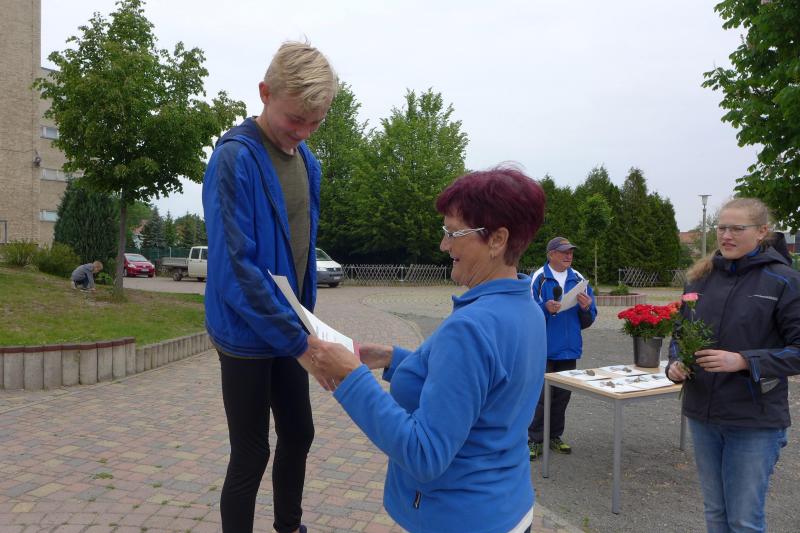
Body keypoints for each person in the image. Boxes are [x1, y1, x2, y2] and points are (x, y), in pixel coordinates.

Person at [308, 167, 548, 533]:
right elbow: (486, 389)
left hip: (458, 518)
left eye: (453, 233)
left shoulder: (471, 327)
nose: (443, 245)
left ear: (498, 240)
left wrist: (351, 378)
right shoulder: (526, 308)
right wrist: (391, 358)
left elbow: (425, 454)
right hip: (507, 507)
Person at [201, 41, 337, 533]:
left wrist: (306, 327)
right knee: (251, 451)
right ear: (264, 93)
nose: (302, 132)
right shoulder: (234, 159)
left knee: (299, 433)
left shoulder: (307, 162)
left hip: (290, 328)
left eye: (315, 122)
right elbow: (237, 268)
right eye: (295, 119)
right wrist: (299, 342)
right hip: (245, 332)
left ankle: (289, 528)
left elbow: (300, 250)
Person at [666, 197, 800, 533]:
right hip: (703, 414)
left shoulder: (783, 280)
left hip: (753, 419)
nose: (726, 236)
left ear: (762, 231)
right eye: (722, 228)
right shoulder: (700, 278)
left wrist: (743, 360)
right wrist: (675, 363)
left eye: (737, 229)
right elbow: (680, 334)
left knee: (744, 520)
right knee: (715, 513)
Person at [527, 237, 596, 459]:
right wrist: (544, 308)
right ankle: (534, 439)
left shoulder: (579, 279)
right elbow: (526, 313)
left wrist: (586, 308)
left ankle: (555, 436)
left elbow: (588, 319)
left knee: (562, 396)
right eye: (564, 251)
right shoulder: (538, 278)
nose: (569, 255)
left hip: (569, 349)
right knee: (541, 397)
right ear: (551, 254)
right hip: (544, 349)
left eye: (571, 252)